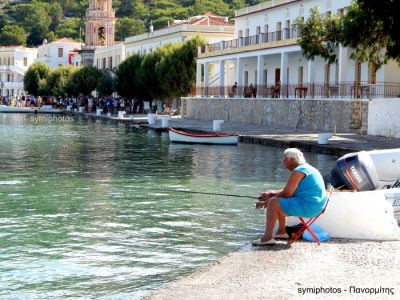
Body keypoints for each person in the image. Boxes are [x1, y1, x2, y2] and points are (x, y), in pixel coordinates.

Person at [252, 148, 327, 246]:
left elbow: (287, 193)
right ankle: (281, 232)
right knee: (278, 201)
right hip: (316, 206)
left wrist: (267, 202)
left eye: (284, 159)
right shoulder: (307, 168)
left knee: (274, 203)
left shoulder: (299, 171)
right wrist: (272, 193)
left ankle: (267, 238)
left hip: (309, 207)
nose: (283, 161)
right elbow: (291, 190)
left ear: (292, 159)